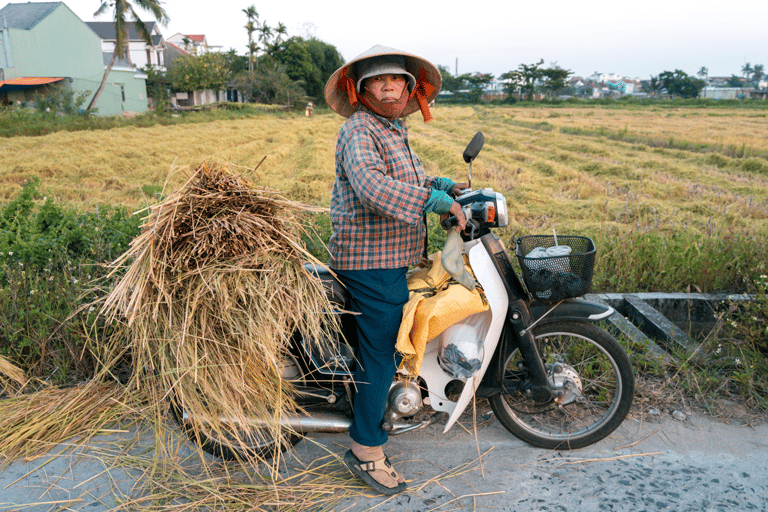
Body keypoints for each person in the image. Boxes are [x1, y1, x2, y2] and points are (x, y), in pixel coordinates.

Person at [324, 45, 467, 495]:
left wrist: (439, 184)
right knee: (380, 355)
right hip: (368, 259)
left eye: (397, 80)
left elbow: (403, 179)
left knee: (388, 340)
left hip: (390, 255)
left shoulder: (392, 129)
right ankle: (366, 449)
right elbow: (371, 185)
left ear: (410, 89)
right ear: (362, 90)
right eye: (378, 80)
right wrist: (432, 201)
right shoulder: (359, 130)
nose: (389, 86)